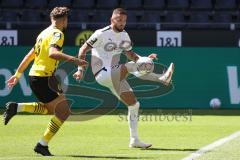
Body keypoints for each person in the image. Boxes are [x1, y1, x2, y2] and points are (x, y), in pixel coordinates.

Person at [73, 8, 174, 149]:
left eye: (124, 21)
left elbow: (131, 55)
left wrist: (143, 60)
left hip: (115, 75)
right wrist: (80, 70)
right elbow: (82, 49)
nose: (122, 23)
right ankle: (161, 78)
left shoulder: (125, 36)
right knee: (129, 67)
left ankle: (134, 140)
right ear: (112, 19)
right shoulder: (101, 34)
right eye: (119, 20)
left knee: (134, 105)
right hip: (102, 73)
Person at [3, 7, 87, 156]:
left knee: (52, 110)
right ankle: (42, 144)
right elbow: (53, 53)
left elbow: (30, 55)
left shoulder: (43, 33)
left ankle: (17, 108)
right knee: (63, 112)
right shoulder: (57, 33)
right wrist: (75, 60)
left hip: (40, 77)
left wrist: (17, 73)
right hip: (43, 78)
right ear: (64, 20)